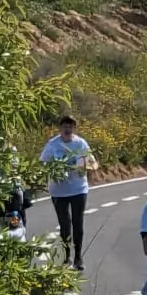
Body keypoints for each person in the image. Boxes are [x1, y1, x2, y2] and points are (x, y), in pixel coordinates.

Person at [39, 114, 96, 269]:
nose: (67, 129)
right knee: (65, 225)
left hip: (78, 189)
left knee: (78, 223)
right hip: (58, 191)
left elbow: (92, 163)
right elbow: (43, 163)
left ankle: (78, 258)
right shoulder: (53, 144)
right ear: (60, 128)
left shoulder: (80, 143)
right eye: (64, 126)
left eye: (70, 126)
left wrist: (83, 167)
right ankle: (66, 257)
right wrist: (53, 169)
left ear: (74, 128)